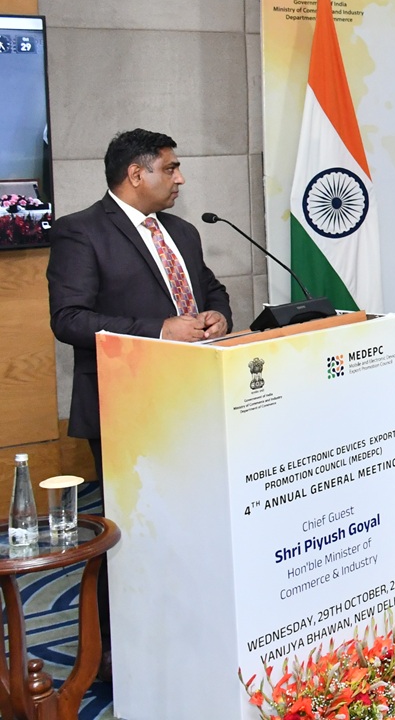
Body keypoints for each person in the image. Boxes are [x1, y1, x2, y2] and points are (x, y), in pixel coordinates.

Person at [47, 128, 233, 671]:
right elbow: (69, 319)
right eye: (170, 168)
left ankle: (189, 629)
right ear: (136, 173)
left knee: (189, 521)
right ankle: (110, 649)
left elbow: (210, 289)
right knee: (130, 529)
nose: (180, 179)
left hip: (194, 399)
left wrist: (218, 314)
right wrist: (159, 329)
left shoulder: (182, 231)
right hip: (124, 405)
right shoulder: (81, 231)